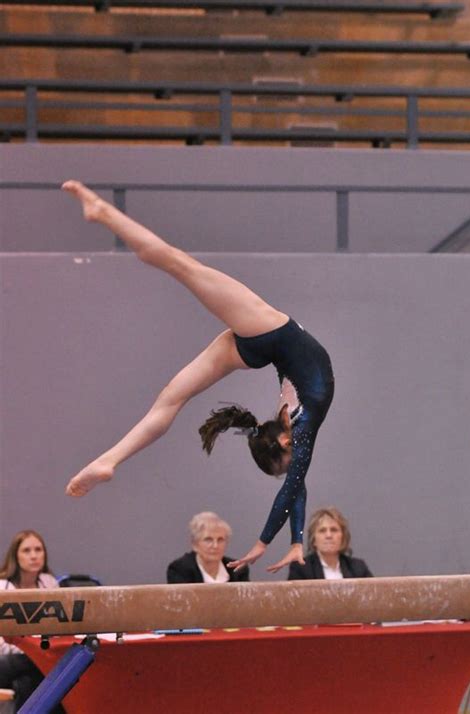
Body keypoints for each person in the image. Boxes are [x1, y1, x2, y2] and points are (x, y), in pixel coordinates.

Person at [62, 181, 335, 572]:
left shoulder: (296, 427)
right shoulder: (303, 424)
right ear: (285, 442)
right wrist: (268, 543)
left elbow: (296, 480)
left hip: (266, 339)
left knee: (172, 383)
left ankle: (110, 459)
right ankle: (103, 211)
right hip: (266, 335)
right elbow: (295, 483)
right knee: (179, 268)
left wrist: (292, 541)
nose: (293, 469)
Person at [0, 530, 64, 713]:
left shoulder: (49, 583)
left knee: (27, 682)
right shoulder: (2, 588)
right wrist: (32, 649)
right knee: (44, 668)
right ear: (15, 556)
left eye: (38, 549)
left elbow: (59, 629)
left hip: (40, 657)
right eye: (27, 551)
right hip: (7, 659)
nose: (34, 556)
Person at [288, 507, 373, 580]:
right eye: (322, 531)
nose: (328, 535)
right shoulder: (301, 569)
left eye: (334, 530)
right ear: (313, 540)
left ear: (343, 537)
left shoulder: (358, 567)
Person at [167, 511, 250, 583]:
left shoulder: (238, 569)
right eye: (208, 540)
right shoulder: (180, 570)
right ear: (195, 544)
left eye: (220, 540)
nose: (215, 546)